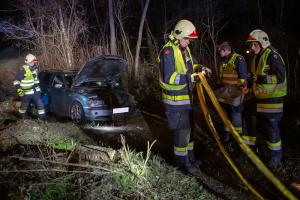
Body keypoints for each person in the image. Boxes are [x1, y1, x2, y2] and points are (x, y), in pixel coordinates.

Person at [158, 19, 207, 174]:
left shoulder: (183, 48)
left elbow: (189, 66)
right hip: (175, 101)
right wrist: (191, 78)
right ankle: (181, 163)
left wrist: (199, 68)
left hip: (186, 99)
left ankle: (190, 158)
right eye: (187, 39)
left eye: (190, 40)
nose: (189, 42)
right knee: (182, 131)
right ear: (179, 35)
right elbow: (170, 78)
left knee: (189, 130)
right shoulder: (168, 51)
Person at [244, 29, 287, 169]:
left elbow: (280, 78)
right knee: (250, 122)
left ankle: (275, 157)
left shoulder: (273, 56)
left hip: (272, 101)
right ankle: (251, 151)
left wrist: (261, 78)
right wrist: (249, 84)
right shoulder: (256, 58)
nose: (251, 48)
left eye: (253, 44)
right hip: (258, 98)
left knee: (271, 127)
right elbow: (254, 77)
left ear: (261, 43)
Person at [216, 41, 248, 149]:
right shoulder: (224, 60)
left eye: (220, 50)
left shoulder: (238, 59)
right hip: (226, 95)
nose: (218, 52)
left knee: (236, 118)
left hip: (236, 96)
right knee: (226, 116)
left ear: (225, 50)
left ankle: (237, 140)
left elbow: (243, 79)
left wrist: (240, 93)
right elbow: (221, 77)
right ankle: (227, 137)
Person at [13, 53, 46, 120]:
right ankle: (20, 118)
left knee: (40, 104)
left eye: (34, 62)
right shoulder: (23, 71)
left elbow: (36, 81)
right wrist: (19, 90)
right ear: (28, 62)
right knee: (24, 107)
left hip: (35, 92)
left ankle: (42, 119)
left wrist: (38, 89)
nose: (33, 63)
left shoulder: (34, 70)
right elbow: (16, 81)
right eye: (32, 62)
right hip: (26, 93)